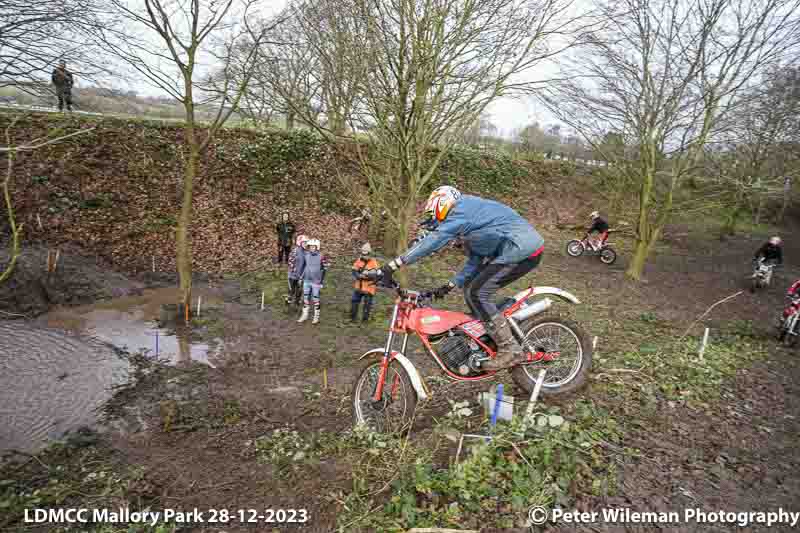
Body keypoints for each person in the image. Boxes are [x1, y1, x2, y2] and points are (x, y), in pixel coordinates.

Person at [380, 185, 545, 371]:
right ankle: (491, 334)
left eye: (437, 219)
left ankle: (510, 349)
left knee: (478, 292)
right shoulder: (470, 225)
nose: (452, 241)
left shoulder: (462, 209)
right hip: (515, 249)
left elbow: (434, 240)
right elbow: (475, 260)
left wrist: (393, 265)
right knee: (470, 289)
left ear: (441, 203)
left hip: (521, 248)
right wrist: (449, 285)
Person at [298, 238, 328, 325]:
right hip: (307, 279)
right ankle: (304, 315)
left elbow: (324, 269)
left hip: (316, 281)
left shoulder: (321, 256)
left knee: (315, 298)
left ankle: (316, 317)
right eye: (310, 246)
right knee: (306, 298)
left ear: (317, 247)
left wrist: (321, 282)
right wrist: (301, 277)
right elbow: (305, 267)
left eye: (313, 246)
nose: (311, 248)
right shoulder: (306, 255)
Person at [351, 243, 380, 323]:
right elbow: (354, 270)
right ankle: (352, 318)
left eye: (365, 254)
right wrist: (358, 276)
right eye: (363, 254)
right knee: (354, 302)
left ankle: (364, 320)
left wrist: (365, 277)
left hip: (368, 287)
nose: (364, 256)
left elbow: (375, 275)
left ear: (369, 254)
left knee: (367, 305)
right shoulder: (359, 260)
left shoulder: (373, 263)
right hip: (358, 286)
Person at [286, 234, 308, 305]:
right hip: (293, 275)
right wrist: (294, 272)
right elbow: (290, 262)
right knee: (291, 289)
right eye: (304, 242)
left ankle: (297, 301)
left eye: (306, 243)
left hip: (301, 276)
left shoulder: (306, 253)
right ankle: (289, 299)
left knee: (299, 289)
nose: (305, 244)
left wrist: (303, 275)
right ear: (300, 242)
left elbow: (306, 265)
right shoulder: (295, 251)